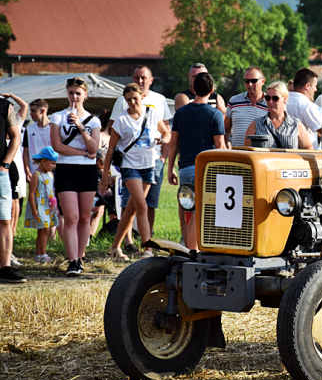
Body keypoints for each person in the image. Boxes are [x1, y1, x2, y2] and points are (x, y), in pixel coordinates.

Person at [107, 65, 172, 256]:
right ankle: (148, 249)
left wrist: (164, 141)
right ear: (124, 101)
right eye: (128, 100)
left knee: (132, 209)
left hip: (149, 165)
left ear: (142, 97)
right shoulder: (121, 119)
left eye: (135, 98)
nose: (132, 102)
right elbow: (111, 148)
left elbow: (166, 132)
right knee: (141, 205)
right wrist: (105, 175)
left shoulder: (153, 113)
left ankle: (115, 246)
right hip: (129, 166)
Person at [168, 72, 226, 250]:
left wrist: (170, 169)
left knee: (191, 211)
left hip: (185, 168)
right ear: (212, 90)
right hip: (205, 169)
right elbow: (220, 145)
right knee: (199, 213)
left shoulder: (181, 113)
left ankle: (191, 249)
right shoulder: (215, 114)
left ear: (193, 89)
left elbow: (173, 143)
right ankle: (192, 251)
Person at [50, 77, 101, 277]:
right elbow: (57, 146)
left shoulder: (93, 120)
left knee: (85, 216)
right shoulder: (57, 117)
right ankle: (71, 261)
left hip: (87, 171)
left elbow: (94, 148)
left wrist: (80, 126)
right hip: (66, 169)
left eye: (78, 93)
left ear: (85, 95)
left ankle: (80, 257)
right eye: (71, 92)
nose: (74, 97)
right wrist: (81, 153)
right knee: (71, 217)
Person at [243, 81, 313, 150]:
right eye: (267, 98)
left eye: (275, 98)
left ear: (284, 99)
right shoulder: (257, 124)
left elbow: (308, 147)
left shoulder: (295, 124)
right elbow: (246, 151)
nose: (270, 101)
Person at [0, 90, 24, 283]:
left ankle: (5, 267)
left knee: (5, 220)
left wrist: (5, 164)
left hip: (1, 171)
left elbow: (15, 137)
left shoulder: (5, 106)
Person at [24, 146, 59, 263]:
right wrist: (34, 209)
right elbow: (32, 193)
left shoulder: (50, 175)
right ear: (43, 161)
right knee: (44, 229)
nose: (54, 166)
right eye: (52, 163)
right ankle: (43, 254)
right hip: (40, 207)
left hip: (50, 206)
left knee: (43, 230)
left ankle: (39, 254)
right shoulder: (36, 175)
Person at [225, 66, 268, 148]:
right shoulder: (234, 101)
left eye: (254, 81)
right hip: (237, 155)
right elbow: (226, 130)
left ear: (263, 81)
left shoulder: (270, 104)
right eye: (246, 81)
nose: (250, 84)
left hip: (260, 156)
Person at [287, 68, 322, 149]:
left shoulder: (281, 100)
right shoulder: (307, 105)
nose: (315, 89)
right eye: (315, 86)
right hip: (303, 154)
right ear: (307, 86)